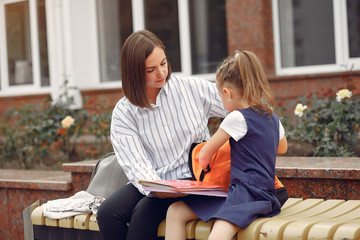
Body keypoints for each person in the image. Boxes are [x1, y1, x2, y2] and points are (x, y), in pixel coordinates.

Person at [96, 30, 228, 240]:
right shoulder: (124, 112)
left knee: (144, 213)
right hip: (155, 180)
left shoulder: (191, 88)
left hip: (195, 177)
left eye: (163, 63)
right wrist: (155, 188)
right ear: (134, 72)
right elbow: (135, 163)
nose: (161, 73)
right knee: (107, 213)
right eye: (151, 69)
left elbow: (238, 109)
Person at [165, 50, 288, 240]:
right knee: (176, 211)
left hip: (244, 195)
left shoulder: (236, 118)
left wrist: (205, 168)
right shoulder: (272, 117)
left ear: (227, 93)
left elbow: (205, 155)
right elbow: (282, 148)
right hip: (266, 195)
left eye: (221, 98)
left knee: (212, 232)